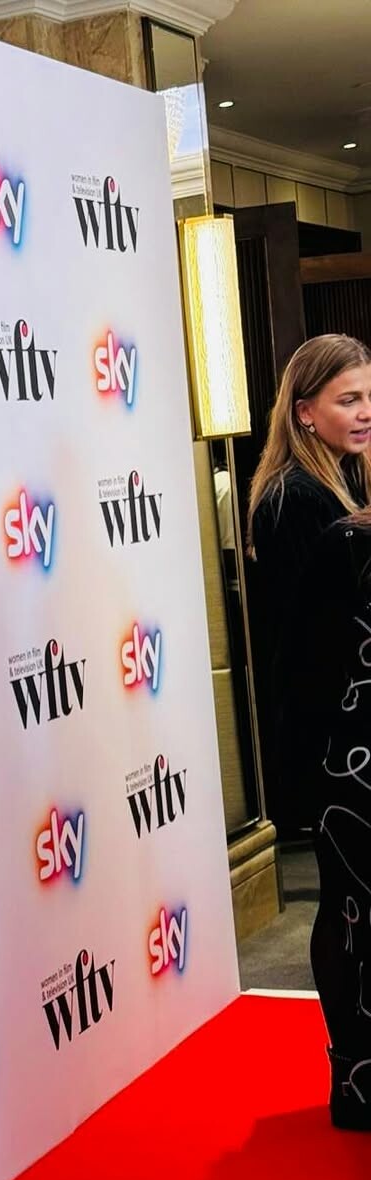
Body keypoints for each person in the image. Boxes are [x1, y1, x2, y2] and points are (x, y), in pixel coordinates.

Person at [248, 333, 371, 1127]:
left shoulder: (331, 488)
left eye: (369, 397)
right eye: (348, 399)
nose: (365, 412)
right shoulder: (298, 501)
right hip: (337, 745)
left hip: (345, 737)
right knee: (348, 905)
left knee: (353, 906)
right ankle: (355, 1081)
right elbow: (312, 645)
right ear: (305, 413)